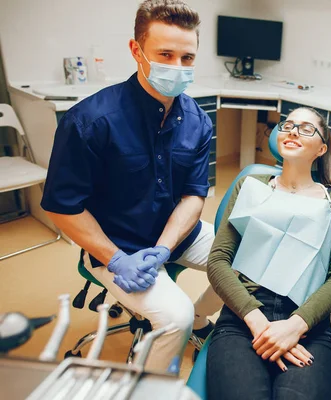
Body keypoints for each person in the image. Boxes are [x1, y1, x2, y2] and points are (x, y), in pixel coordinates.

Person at [41, 0, 221, 371]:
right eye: (165, 54)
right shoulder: (89, 122)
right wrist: (116, 259)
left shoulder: (198, 123)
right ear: (136, 50)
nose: (177, 67)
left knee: (251, 262)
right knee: (175, 316)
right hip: (115, 247)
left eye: (187, 58)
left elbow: (193, 196)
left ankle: (203, 321)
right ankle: (143, 384)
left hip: (173, 234)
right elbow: (62, 206)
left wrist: (163, 248)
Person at [205, 107, 331, 399]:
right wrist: (259, 324)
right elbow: (218, 261)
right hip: (244, 317)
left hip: (308, 322)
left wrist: (294, 326)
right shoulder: (250, 187)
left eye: (306, 128)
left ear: (321, 148)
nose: (293, 131)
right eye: (288, 125)